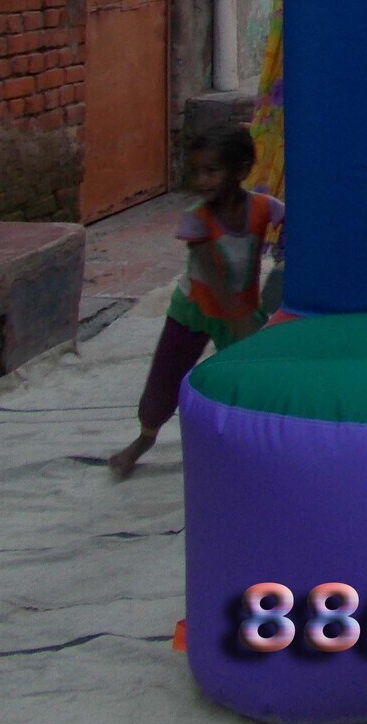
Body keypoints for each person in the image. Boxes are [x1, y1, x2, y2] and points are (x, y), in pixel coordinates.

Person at [108, 122, 283, 479]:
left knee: (252, 383)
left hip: (242, 310)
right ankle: (144, 439)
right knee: (164, 381)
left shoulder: (263, 207)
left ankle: (252, 444)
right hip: (193, 311)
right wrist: (240, 321)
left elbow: (299, 221)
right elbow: (213, 275)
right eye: (195, 172)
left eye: (211, 171)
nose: (201, 181)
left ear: (241, 170)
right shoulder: (196, 220)